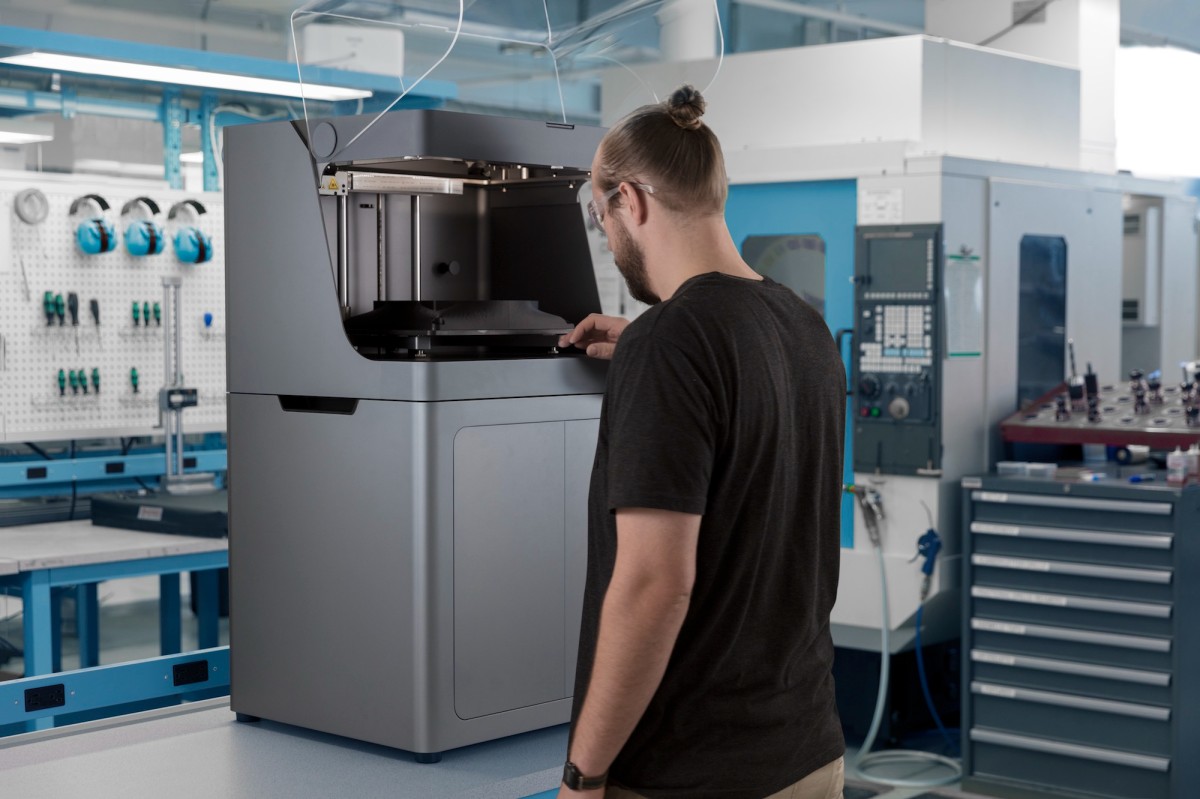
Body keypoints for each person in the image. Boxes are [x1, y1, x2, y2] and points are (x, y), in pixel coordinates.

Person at [556, 85, 848, 799]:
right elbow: (736, 387)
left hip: (692, 774)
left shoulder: (670, 343)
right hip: (807, 754)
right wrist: (651, 353)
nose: (610, 240)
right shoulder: (804, 328)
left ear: (631, 200)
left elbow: (657, 585)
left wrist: (584, 772)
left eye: (603, 220)